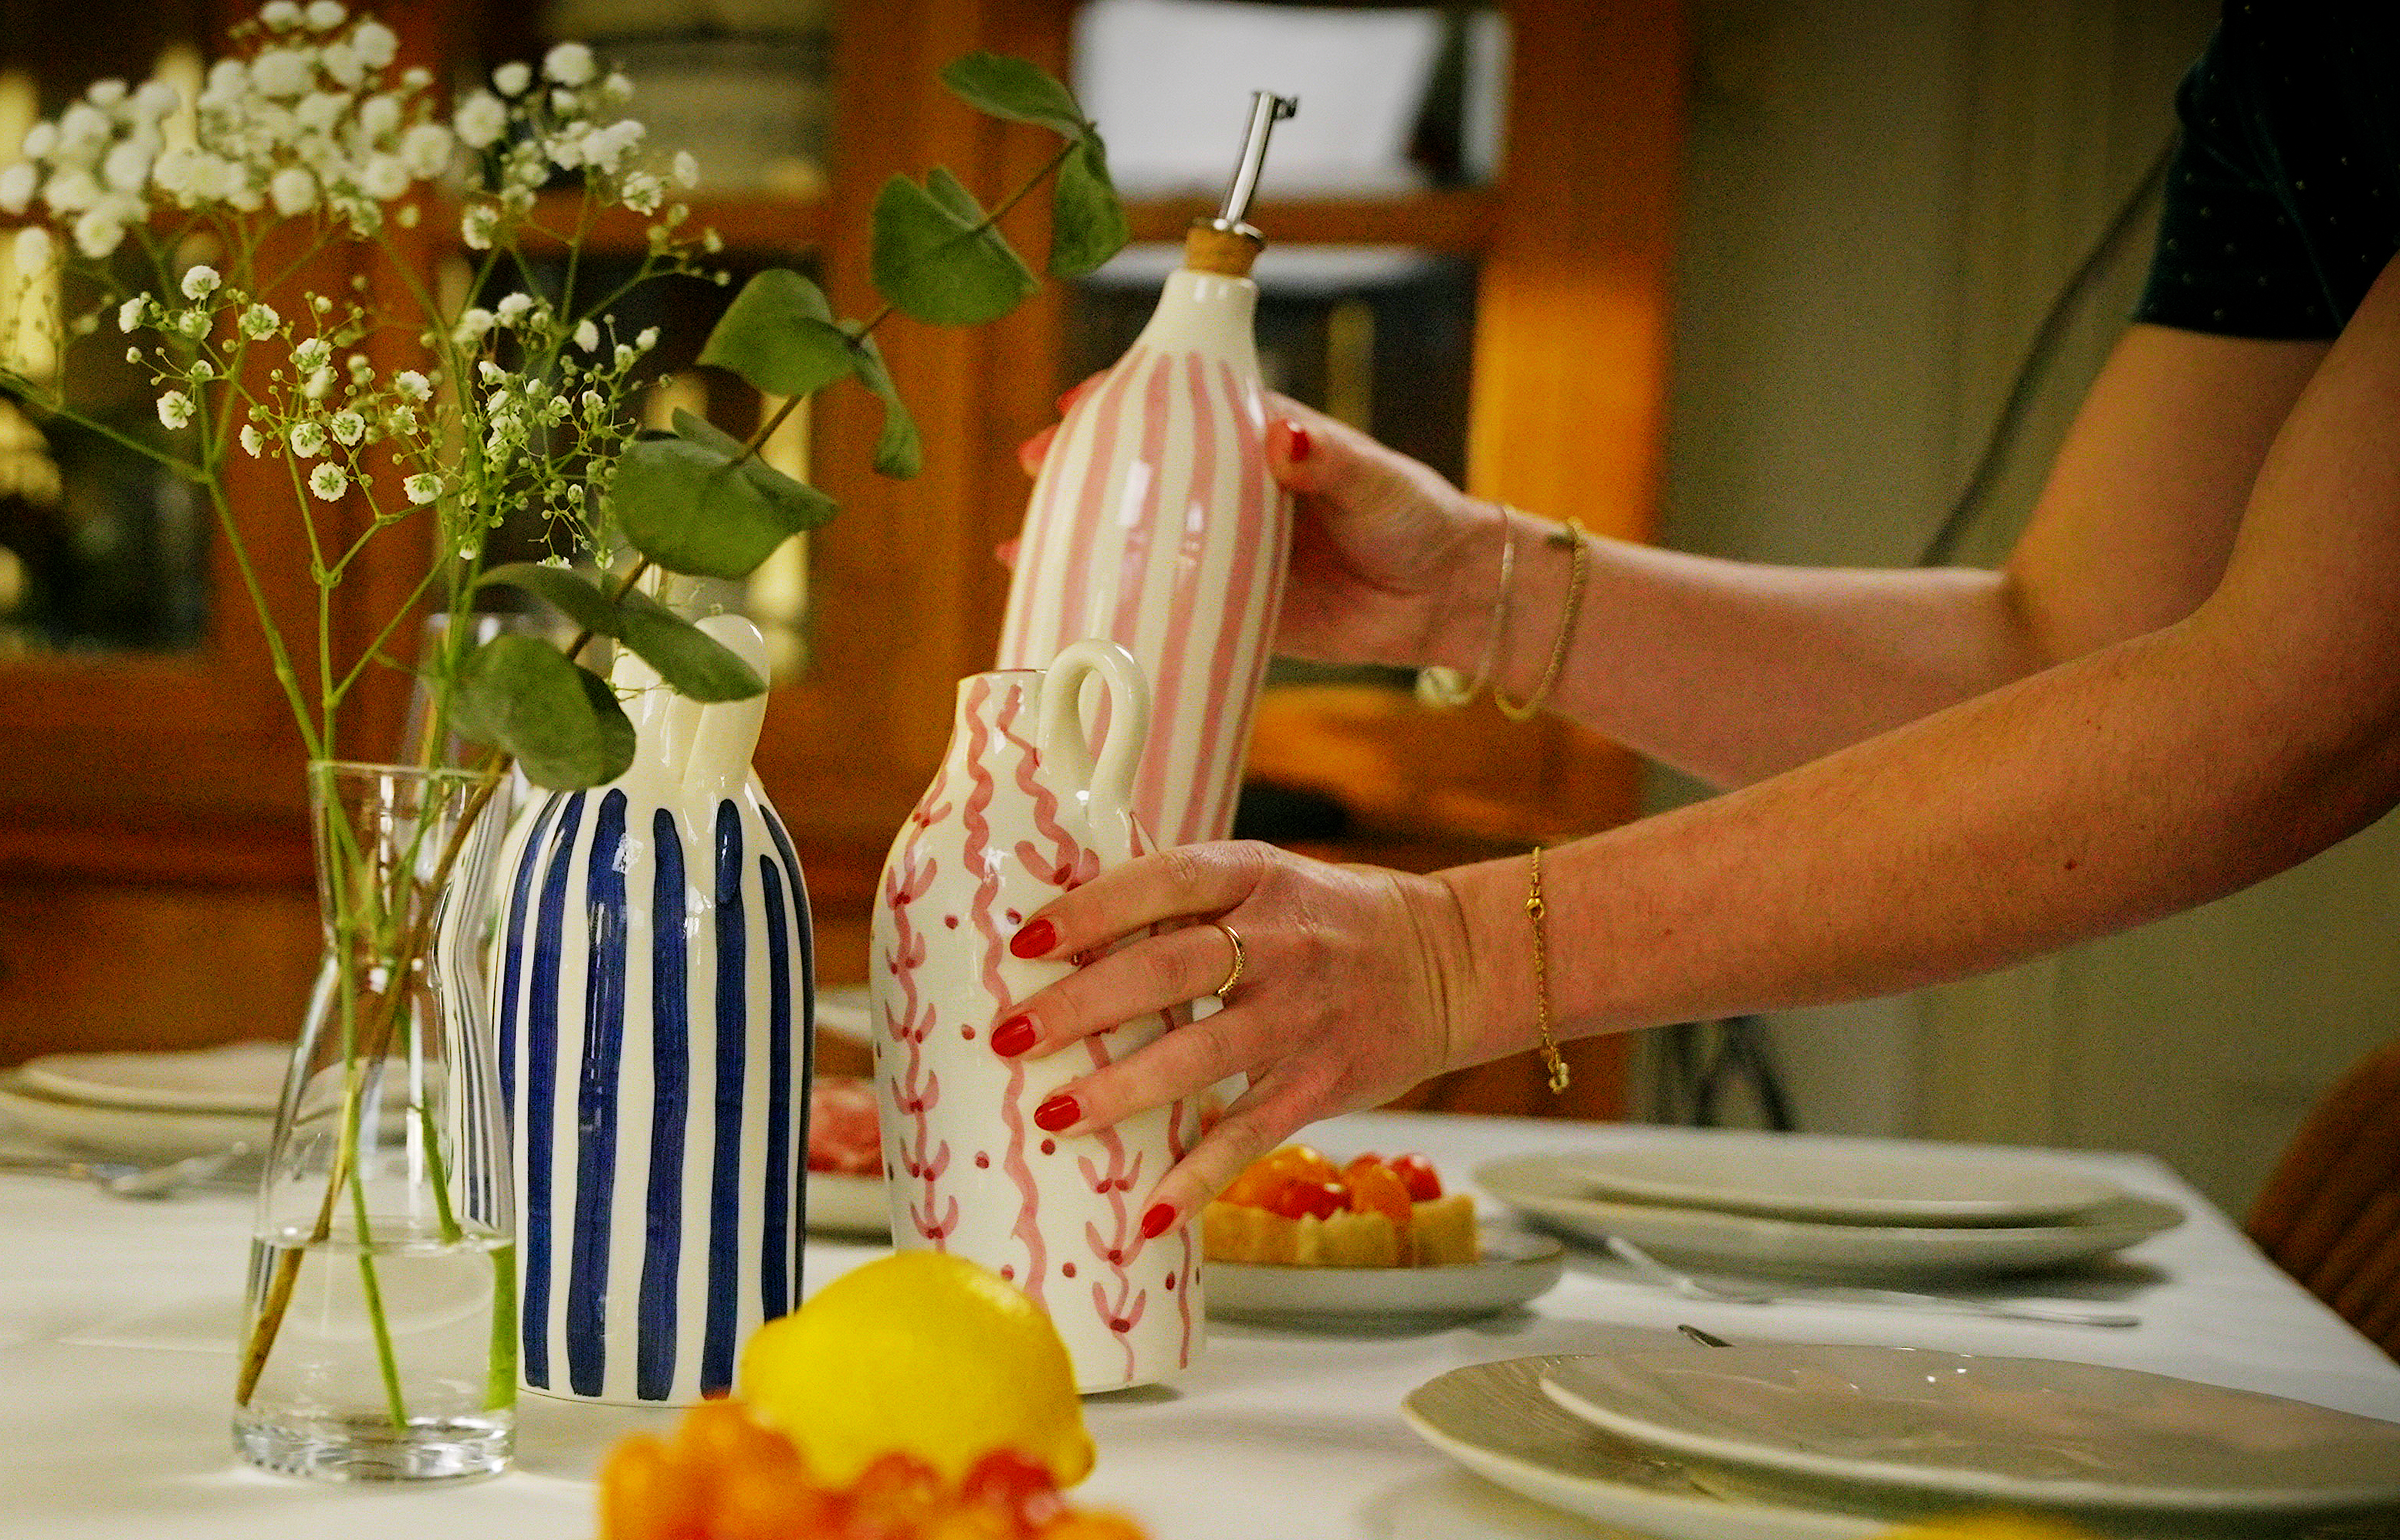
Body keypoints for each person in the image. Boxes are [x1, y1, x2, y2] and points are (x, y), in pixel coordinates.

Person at [992, 0, 2400, 1241]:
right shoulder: (2282, 61)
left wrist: (1452, 957)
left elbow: (2303, 705)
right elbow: (2070, 657)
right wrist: (1475, 588)